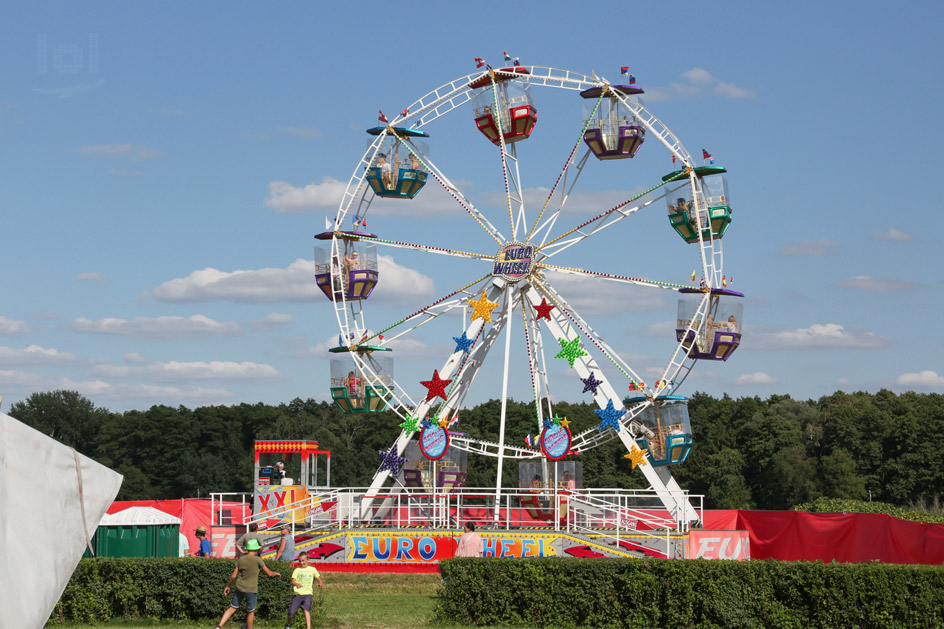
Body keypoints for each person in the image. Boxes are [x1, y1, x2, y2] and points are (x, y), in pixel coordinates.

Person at [215, 538, 281, 629]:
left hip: (239, 588)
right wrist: (275, 573)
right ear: (256, 549)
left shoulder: (241, 559)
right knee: (251, 611)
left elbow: (233, 576)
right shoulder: (258, 560)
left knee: (232, 608)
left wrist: (228, 586)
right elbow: (269, 573)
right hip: (251, 589)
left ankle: (219, 626)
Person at [285, 551, 323, 629]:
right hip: (298, 595)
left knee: (306, 610)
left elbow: (318, 578)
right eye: (300, 561)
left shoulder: (312, 569)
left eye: (303, 561)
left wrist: (320, 583)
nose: (301, 563)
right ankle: (288, 624)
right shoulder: (297, 570)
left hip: (308, 594)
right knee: (291, 612)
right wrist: (296, 584)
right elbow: (293, 581)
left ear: (307, 560)